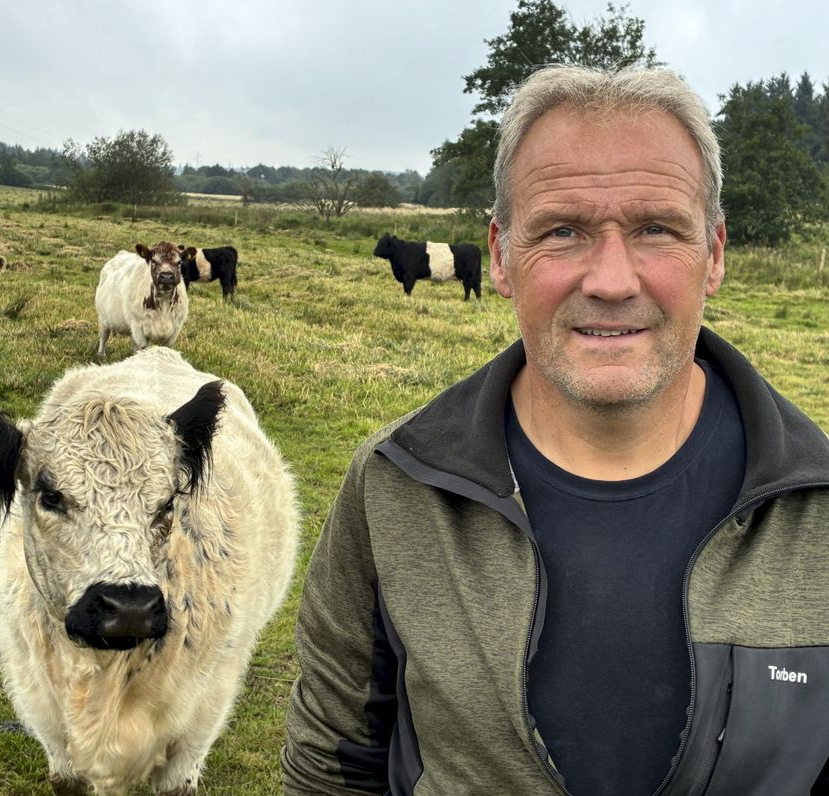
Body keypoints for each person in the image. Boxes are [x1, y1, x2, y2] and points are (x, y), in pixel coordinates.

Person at [281, 64, 829, 796]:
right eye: (563, 231)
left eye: (656, 229)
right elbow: (332, 767)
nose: (611, 281)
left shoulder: (818, 507)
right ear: (501, 257)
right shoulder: (393, 488)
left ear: (715, 254)